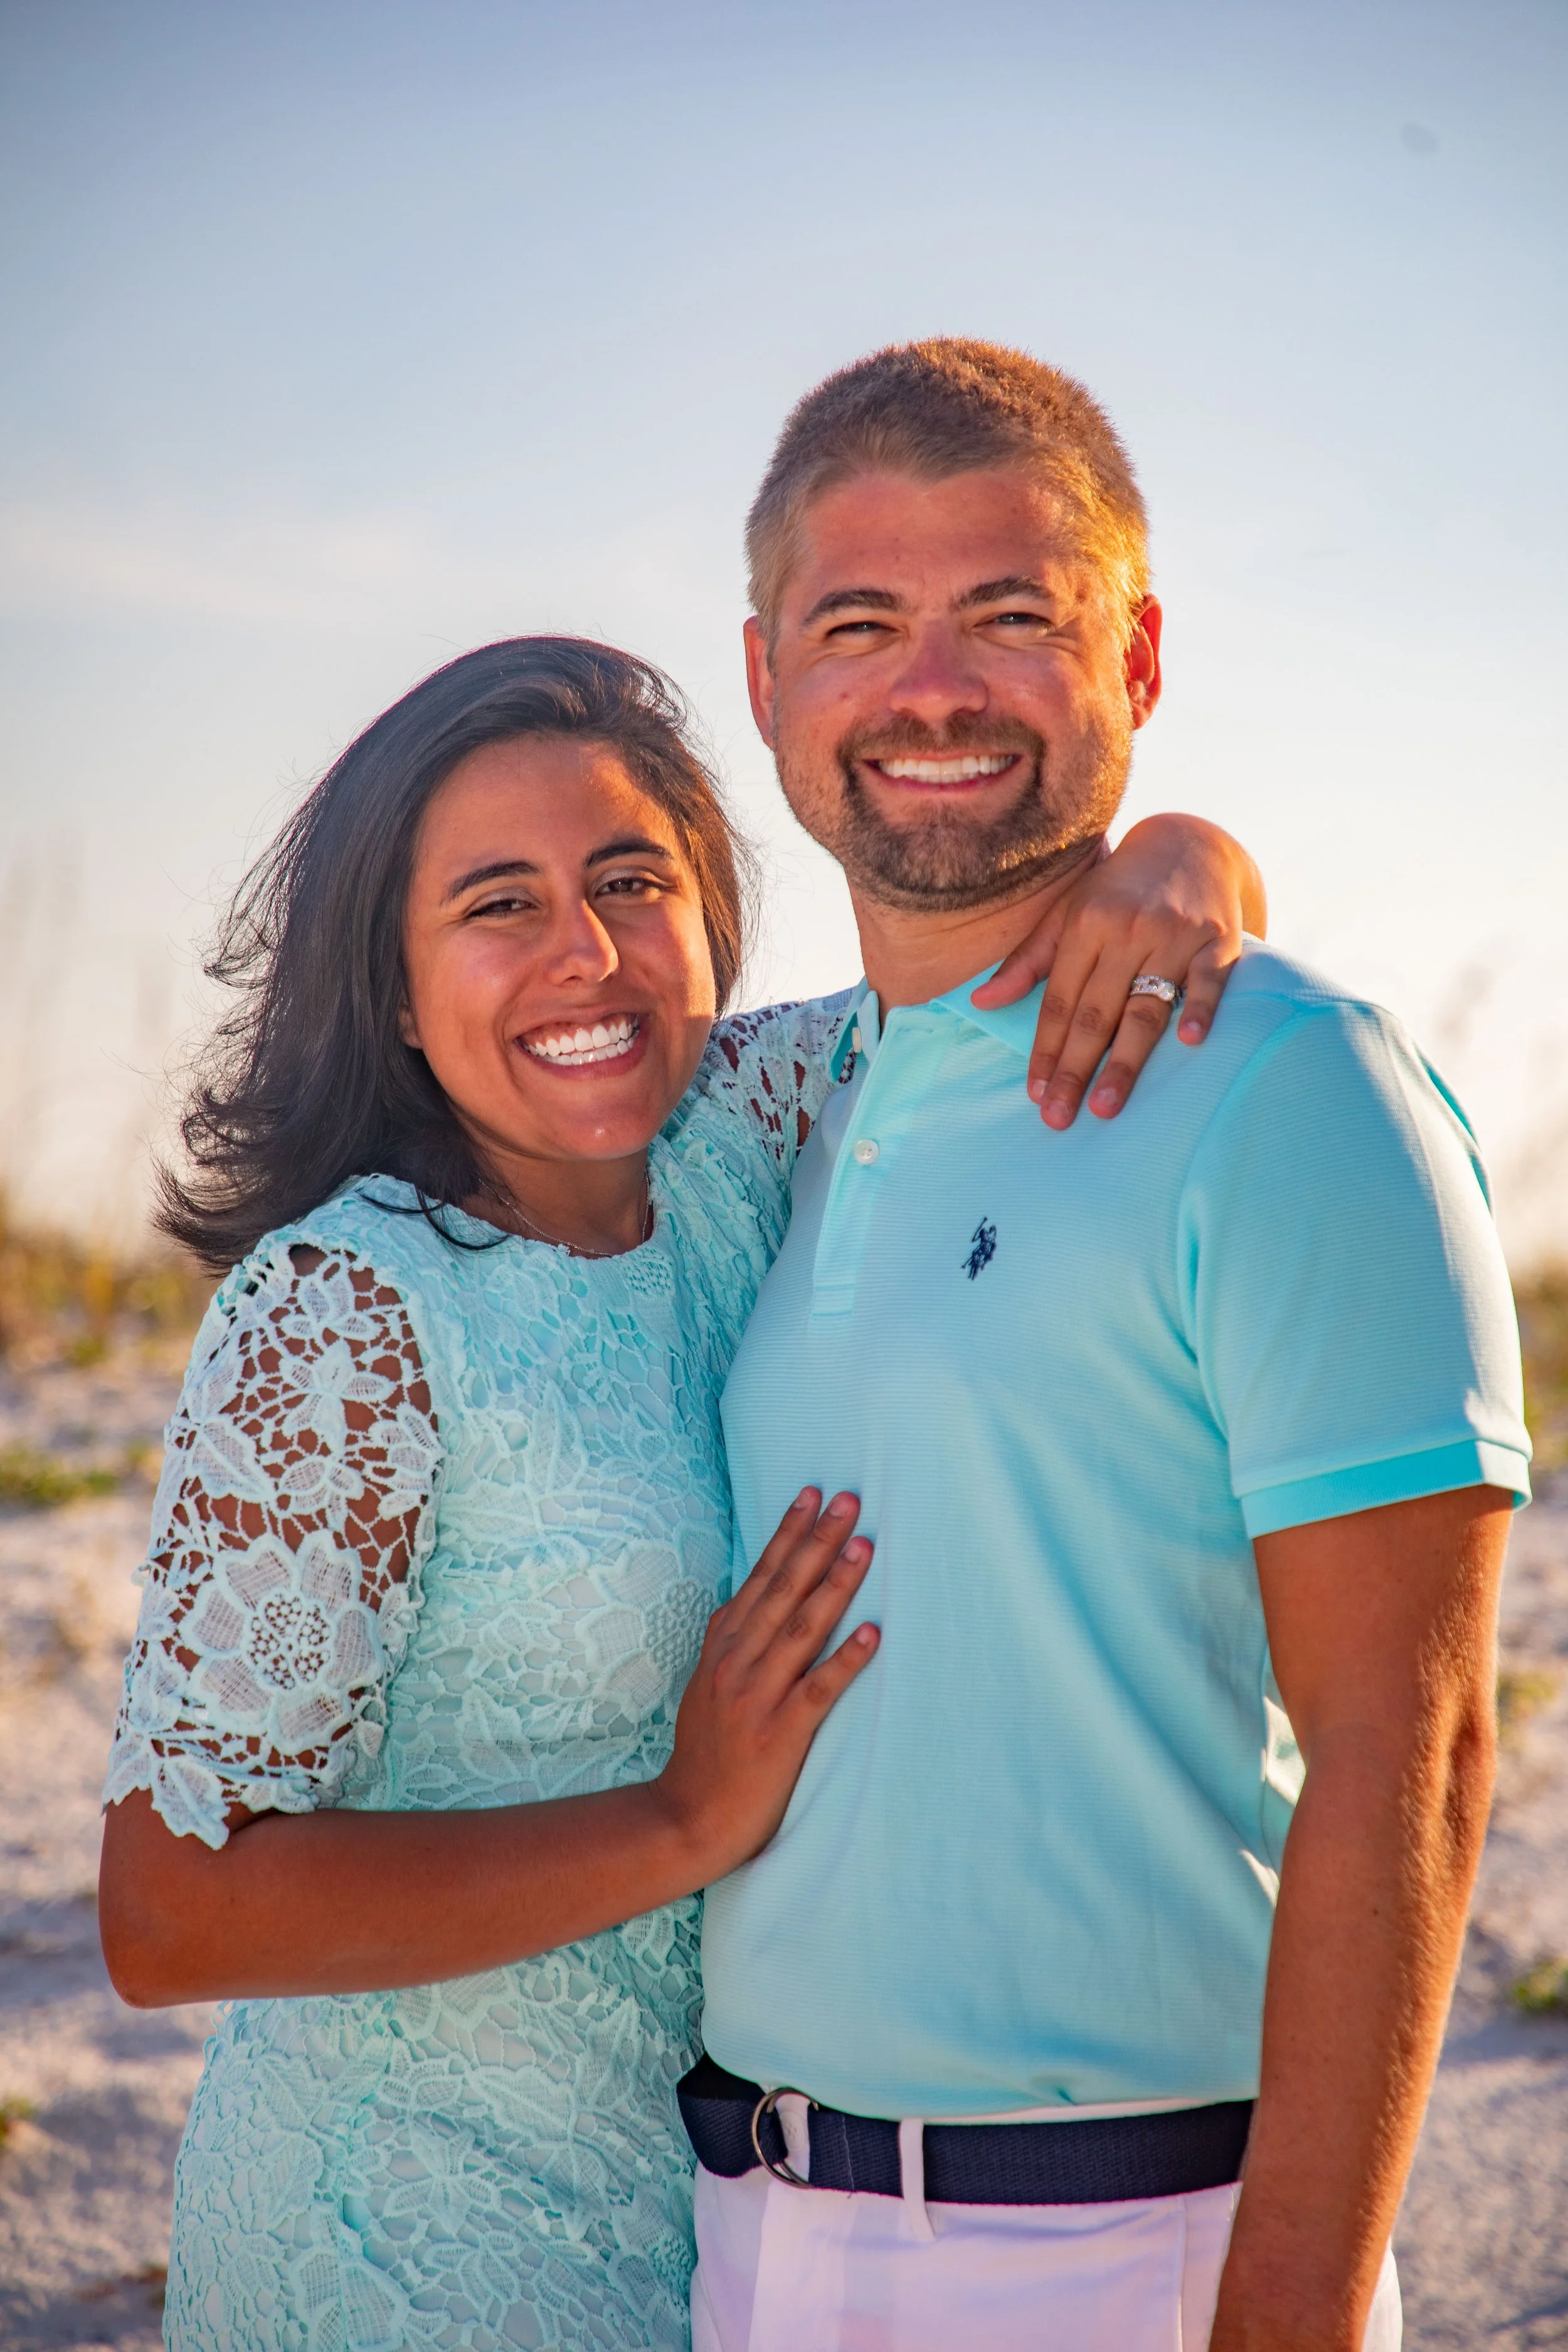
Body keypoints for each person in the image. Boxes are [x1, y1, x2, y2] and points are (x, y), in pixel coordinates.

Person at [98, 633, 1264, 2351]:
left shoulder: (751, 1130)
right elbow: (168, 1908)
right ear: (397, 990)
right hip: (409, 2234)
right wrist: (678, 1823)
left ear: (712, 910)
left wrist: (1189, 853)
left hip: (722, 2224)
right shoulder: (342, 1311)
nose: (584, 953)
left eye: (630, 878)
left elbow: (1006, 963)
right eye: (497, 904)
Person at [686, 339, 1532, 2352]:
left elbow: (1411, 1765)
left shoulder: (1289, 1084)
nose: (932, 688)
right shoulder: (765, 1117)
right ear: (763, 683)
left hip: (1119, 2253)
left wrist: (1290, 2317)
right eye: (859, 625)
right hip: (738, 2233)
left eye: (1009, 615)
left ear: (1135, 659)